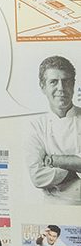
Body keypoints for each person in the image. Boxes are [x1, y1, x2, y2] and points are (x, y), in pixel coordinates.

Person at [26, 55, 81, 203]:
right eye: (53, 82)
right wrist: (73, 168)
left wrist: (54, 160)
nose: (61, 88)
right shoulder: (37, 126)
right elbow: (37, 177)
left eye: (66, 81)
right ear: (43, 87)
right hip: (53, 206)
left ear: (74, 84)